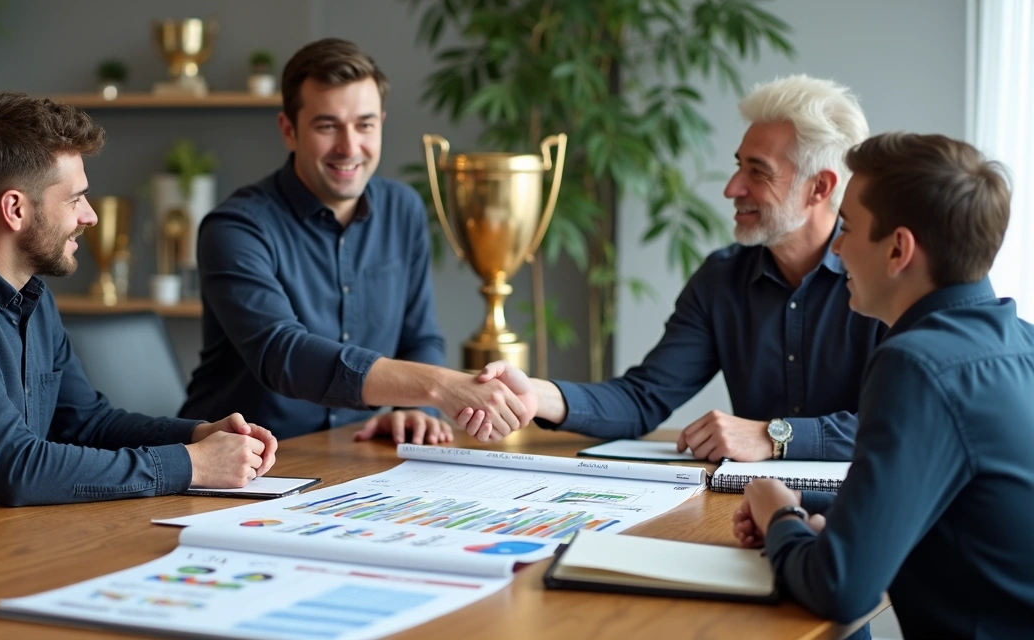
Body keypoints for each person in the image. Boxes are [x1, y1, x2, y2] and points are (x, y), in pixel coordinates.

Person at [0, 92, 277, 531]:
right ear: (15, 208)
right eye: (75, 199)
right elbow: (18, 469)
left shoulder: (32, 298)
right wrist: (191, 465)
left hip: (11, 544)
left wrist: (196, 436)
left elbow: (86, 423)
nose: (91, 216)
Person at [460, 75, 885, 461]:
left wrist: (774, 436)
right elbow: (643, 398)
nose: (732, 188)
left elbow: (899, 425)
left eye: (758, 172)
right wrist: (536, 394)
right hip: (753, 511)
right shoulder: (722, 279)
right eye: (739, 165)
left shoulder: (886, 280)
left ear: (820, 187)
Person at [734, 132, 1034, 638]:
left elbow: (841, 587)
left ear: (898, 249)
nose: (838, 245)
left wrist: (778, 512)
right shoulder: (1022, 342)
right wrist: (810, 506)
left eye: (847, 226)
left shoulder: (915, 365)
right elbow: (961, 506)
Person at [179, 38, 529, 444]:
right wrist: (437, 386)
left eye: (365, 125)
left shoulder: (403, 208)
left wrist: (413, 408)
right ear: (289, 130)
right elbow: (283, 355)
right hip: (237, 461)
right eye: (327, 126)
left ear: (380, 122)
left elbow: (419, 337)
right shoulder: (234, 228)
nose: (349, 147)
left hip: (351, 452)